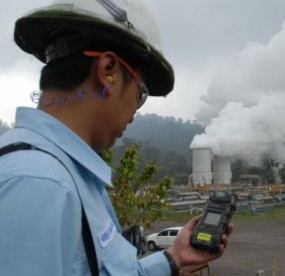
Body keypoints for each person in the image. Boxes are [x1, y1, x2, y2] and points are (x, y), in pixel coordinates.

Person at [0, 0, 232, 275]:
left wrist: (174, 258)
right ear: (108, 70)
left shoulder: (69, 175)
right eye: (141, 92)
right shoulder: (39, 184)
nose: (135, 112)